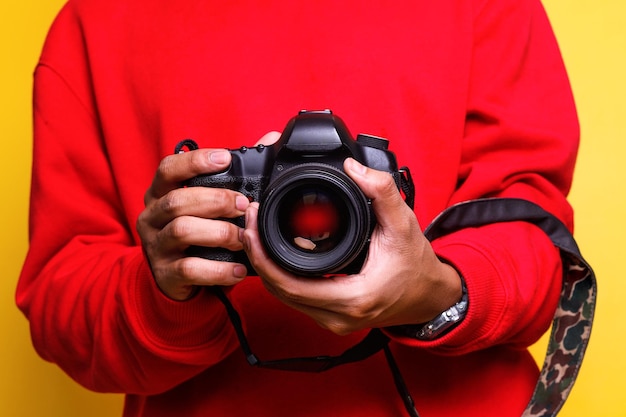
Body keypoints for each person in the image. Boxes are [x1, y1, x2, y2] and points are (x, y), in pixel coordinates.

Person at [17, 0, 579, 416]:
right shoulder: (93, 22)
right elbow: (59, 304)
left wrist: (435, 290)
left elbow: (536, 242)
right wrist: (166, 288)